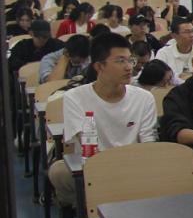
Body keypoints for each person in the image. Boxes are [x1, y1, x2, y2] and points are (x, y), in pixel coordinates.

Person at [47, 33, 158, 208]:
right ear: (99, 66)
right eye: (120, 61)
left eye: (131, 60)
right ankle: (89, 206)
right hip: (94, 167)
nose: (129, 67)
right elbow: (85, 144)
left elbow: (148, 143)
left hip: (135, 166)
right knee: (58, 171)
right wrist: (108, 169)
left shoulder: (144, 98)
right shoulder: (75, 97)